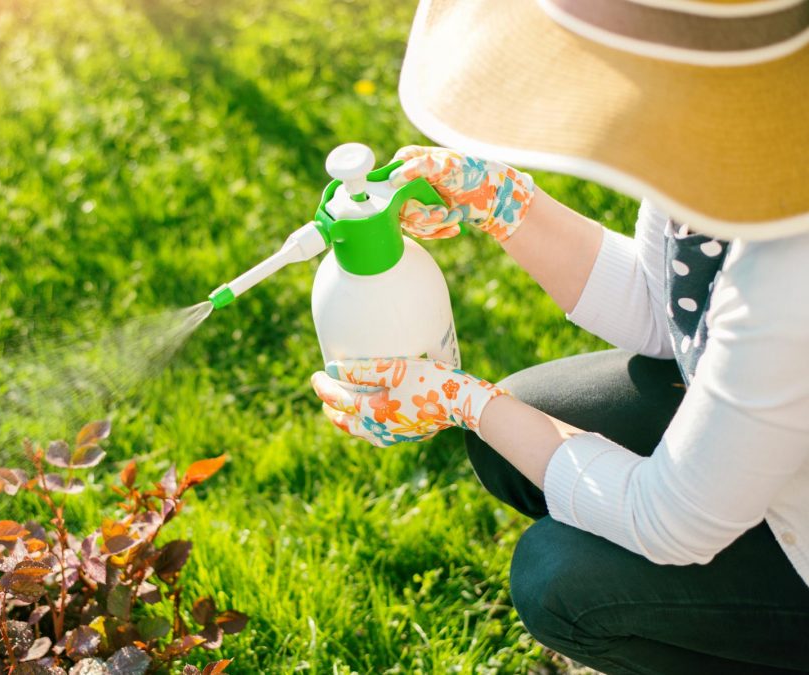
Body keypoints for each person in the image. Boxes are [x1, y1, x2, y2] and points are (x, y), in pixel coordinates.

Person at [310, 0, 809, 672]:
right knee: (517, 433)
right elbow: (671, 310)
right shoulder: (719, 139)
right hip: (780, 447)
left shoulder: (790, 267)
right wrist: (504, 202)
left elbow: (670, 519)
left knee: (559, 577)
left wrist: (466, 402)